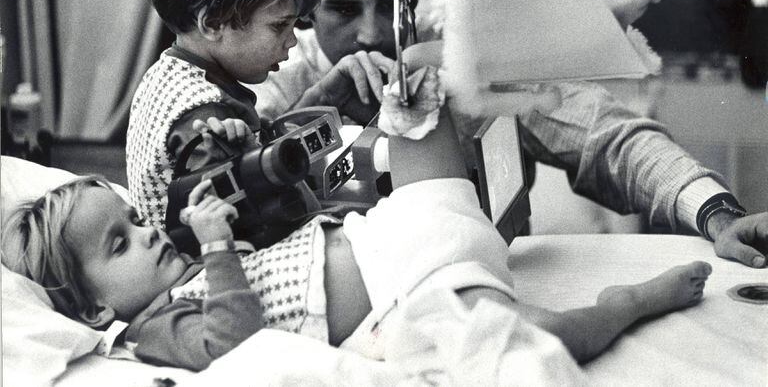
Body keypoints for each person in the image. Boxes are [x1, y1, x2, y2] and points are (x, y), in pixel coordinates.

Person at [249, 0, 768, 269]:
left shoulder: (467, 49)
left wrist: (717, 214)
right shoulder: (277, 80)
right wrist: (315, 112)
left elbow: (605, 135)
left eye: (390, 5)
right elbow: (222, 211)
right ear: (305, 8)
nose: (370, 33)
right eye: (342, 10)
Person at [2, 108, 712, 372]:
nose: (146, 235)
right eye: (119, 246)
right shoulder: (155, 332)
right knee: (540, 342)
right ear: (96, 311)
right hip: (411, 295)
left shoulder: (183, 269)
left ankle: (534, 63)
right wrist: (218, 252)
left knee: (423, 113)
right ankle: (627, 303)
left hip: (396, 233)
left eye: (131, 222)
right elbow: (236, 342)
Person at [125, 0, 323, 232]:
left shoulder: (166, 72)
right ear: (214, 23)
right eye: (279, 26)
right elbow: (240, 226)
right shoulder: (206, 116)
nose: (293, 41)